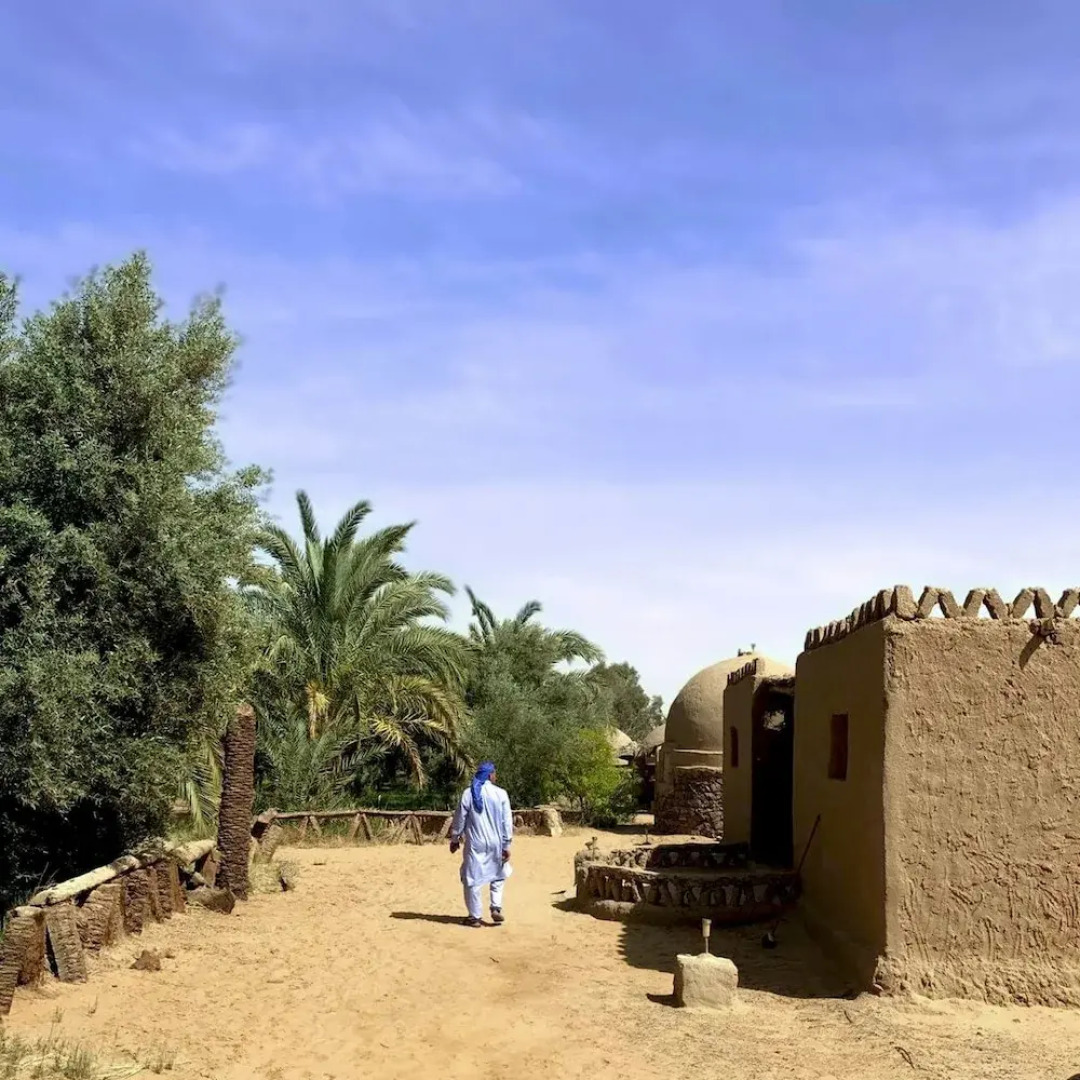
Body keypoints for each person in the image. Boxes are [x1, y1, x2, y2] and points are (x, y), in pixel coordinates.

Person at [449, 760, 513, 927]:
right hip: (496, 843)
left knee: (472, 879)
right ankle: (496, 907)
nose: (496, 776)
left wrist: (455, 838)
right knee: (499, 875)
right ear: (490, 775)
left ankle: (474, 917)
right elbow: (507, 822)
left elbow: (459, 818)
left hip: (475, 844)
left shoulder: (468, 794)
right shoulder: (501, 794)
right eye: (495, 773)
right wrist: (506, 845)